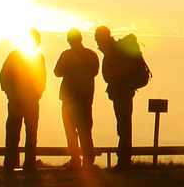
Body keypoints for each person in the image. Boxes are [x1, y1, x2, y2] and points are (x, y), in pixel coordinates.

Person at [94, 26, 151, 171]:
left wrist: (116, 81)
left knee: (123, 127)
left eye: (97, 37)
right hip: (122, 92)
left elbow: (112, 75)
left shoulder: (114, 52)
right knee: (123, 127)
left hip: (122, 93)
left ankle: (124, 162)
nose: (96, 41)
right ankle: (124, 160)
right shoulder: (115, 51)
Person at [0, 29, 46, 170]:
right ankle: (15, 164)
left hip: (26, 100)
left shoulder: (31, 56)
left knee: (24, 133)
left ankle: (23, 164)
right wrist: (11, 94)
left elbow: (42, 79)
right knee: (20, 133)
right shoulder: (18, 56)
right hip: (20, 100)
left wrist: (37, 94)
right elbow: (4, 76)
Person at [54, 28, 100, 168]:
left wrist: (70, 67)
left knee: (71, 132)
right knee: (85, 131)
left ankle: (76, 160)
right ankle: (87, 160)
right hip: (84, 99)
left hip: (69, 99)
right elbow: (94, 72)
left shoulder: (66, 55)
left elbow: (57, 72)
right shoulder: (91, 55)